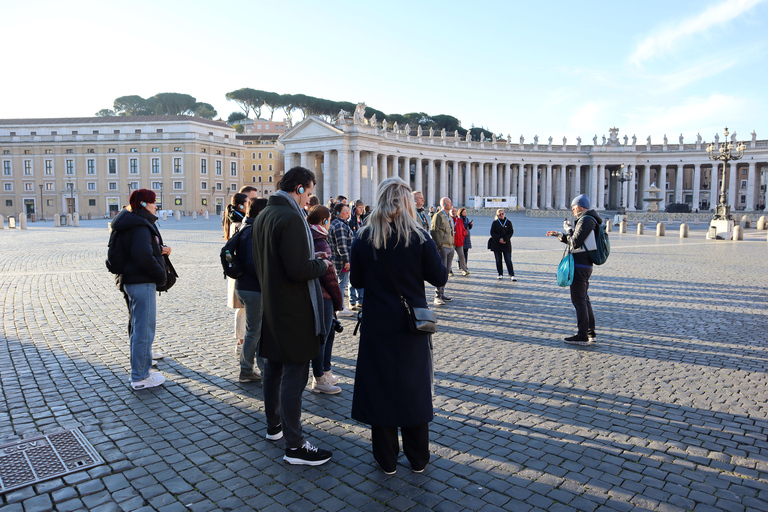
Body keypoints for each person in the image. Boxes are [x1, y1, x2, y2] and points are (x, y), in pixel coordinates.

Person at [350, 177, 447, 475]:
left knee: (379, 387)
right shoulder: (419, 237)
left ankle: (386, 459)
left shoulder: (364, 237)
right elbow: (439, 278)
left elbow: (356, 282)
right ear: (407, 202)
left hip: (378, 323)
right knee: (413, 387)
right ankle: (418, 458)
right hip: (411, 325)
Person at [252, 166, 334, 465]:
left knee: (273, 367)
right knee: (295, 375)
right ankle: (296, 445)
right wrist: (322, 264)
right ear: (299, 188)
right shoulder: (290, 217)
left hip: (272, 303)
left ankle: (274, 426)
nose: (308, 200)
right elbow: (299, 269)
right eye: (308, 193)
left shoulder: (264, 215)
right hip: (294, 307)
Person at [111, 189, 171, 390]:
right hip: (141, 282)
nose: (156, 206)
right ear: (144, 204)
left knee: (139, 330)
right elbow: (143, 256)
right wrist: (160, 275)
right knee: (144, 331)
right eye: (154, 202)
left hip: (130, 281)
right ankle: (140, 377)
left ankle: (141, 371)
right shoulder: (139, 226)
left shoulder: (130, 222)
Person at [547, 194, 600, 345]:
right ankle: (590, 333)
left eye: (574, 207)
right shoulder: (587, 219)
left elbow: (575, 242)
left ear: (581, 206)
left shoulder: (587, 220)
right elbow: (576, 241)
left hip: (580, 265)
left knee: (579, 301)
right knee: (584, 299)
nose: (572, 210)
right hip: (583, 264)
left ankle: (582, 334)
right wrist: (560, 235)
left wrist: (569, 229)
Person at [307, 205, 343, 394]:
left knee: (328, 334)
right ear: (324, 221)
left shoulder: (311, 236)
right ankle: (319, 378)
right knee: (323, 336)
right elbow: (330, 278)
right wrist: (338, 300)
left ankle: (325, 372)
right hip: (324, 295)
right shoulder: (320, 241)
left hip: (320, 294)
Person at [235, 197, 268, 383]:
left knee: (257, 329)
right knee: (254, 331)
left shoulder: (246, 227)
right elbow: (253, 264)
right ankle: (246, 370)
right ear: (261, 213)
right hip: (252, 288)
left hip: (245, 286)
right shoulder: (254, 231)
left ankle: (261, 368)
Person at [223, 193, 249, 357]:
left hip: (239, 270)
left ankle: (242, 340)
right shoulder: (238, 223)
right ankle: (240, 342)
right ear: (240, 206)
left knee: (243, 308)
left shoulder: (236, 220)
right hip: (240, 271)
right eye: (247, 202)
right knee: (242, 309)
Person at [328, 203, 355, 315]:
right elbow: (342, 245)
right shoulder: (340, 225)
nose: (348, 213)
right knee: (342, 284)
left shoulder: (336, 223)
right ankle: (340, 306)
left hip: (338, 259)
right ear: (338, 212)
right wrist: (347, 260)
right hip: (342, 260)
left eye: (348, 210)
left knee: (341, 283)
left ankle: (340, 306)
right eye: (345, 210)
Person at [430, 197, 455, 305]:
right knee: (441, 272)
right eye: (450, 203)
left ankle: (442, 292)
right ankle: (437, 295)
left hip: (450, 247)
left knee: (446, 272)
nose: (452, 204)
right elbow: (434, 231)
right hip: (443, 247)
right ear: (444, 204)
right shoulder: (438, 215)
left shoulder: (448, 215)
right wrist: (440, 246)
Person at [490, 209, 516, 281]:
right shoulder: (495, 223)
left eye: (502, 213)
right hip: (497, 244)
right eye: (500, 214)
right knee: (498, 260)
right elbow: (492, 232)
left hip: (506, 244)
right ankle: (500, 274)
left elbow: (511, 232)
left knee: (508, 260)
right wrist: (499, 239)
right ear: (497, 215)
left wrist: (505, 239)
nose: (501, 215)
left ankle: (512, 275)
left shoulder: (508, 222)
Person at [452, 207, 469, 276]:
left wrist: (462, 237)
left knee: (462, 256)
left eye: (455, 211)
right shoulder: (448, 220)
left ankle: (464, 269)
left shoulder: (459, 220)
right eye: (452, 211)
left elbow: (463, 230)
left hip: (459, 241)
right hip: (451, 242)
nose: (454, 212)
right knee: (450, 257)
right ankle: (449, 270)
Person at [458, 208, 473, 273]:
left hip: (466, 236)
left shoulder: (466, 219)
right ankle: (460, 264)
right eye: (464, 212)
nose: (465, 213)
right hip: (461, 236)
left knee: (466, 252)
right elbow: (460, 227)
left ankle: (465, 264)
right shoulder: (459, 219)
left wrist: (470, 225)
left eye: (465, 212)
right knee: (461, 252)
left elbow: (469, 228)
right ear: (461, 212)